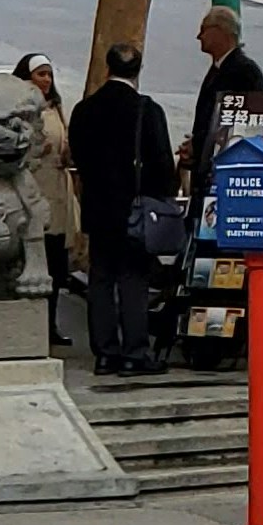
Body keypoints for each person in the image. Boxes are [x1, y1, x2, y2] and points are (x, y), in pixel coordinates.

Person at [66, 43, 178, 374]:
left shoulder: (84, 110)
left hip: (99, 208)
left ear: (108, 67)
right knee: (133, 279)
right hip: (136, 210)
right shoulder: (146, 110)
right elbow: (161, 164)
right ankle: (135, 351)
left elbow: (80, 158)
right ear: (138, 70)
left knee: (100, 279)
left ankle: (105, 352)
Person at [180, 5, 263, 220]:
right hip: (207, 176)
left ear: (220, 31)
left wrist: (202, 145)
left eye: (203, 30)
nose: (198, 36)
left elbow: (245, 129)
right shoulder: (217, 69)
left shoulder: (245, 72)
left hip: (226, 180)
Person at [12, 54, 80, 348]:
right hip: (31, 190)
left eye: (49, 75)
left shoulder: (55, 108)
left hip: (57, 190)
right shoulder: (19, 109)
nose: (47, 80)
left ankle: (50, 324)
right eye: (41, 74)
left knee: (53, 265)